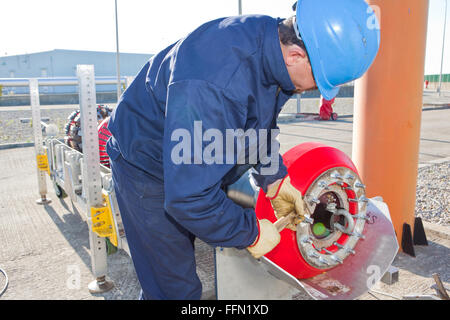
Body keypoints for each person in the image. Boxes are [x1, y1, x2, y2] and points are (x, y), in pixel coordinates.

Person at [107, 0, 380, 300]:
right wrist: (251, 233)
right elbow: (188, 198)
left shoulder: (270, 44)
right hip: (146, 166)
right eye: (318, 81)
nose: (313, 89)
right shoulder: (216, 82)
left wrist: (274, 180)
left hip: (186, 149)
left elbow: (255, 123)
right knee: (174, 289)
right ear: (296, 55)